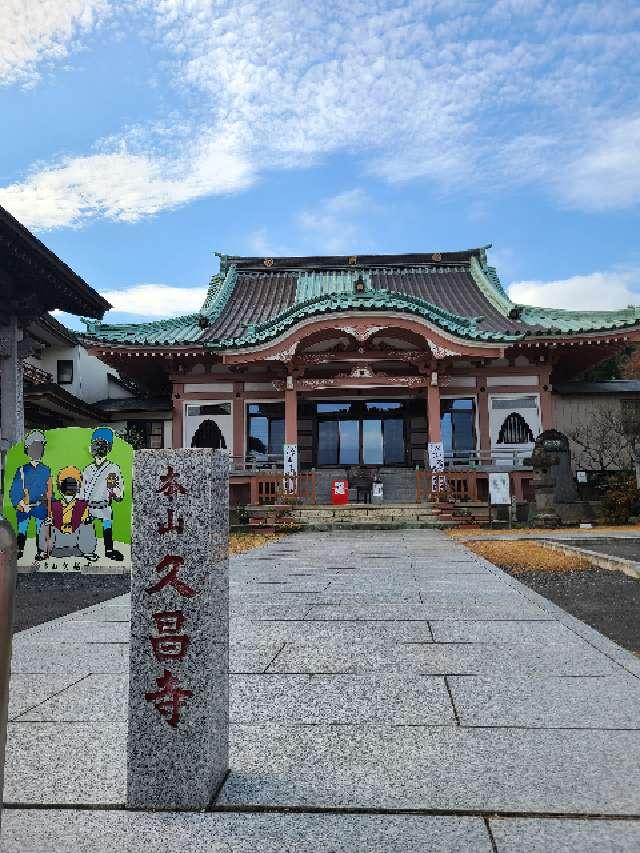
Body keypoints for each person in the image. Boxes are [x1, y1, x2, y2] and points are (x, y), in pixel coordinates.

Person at [80, 427, 124, 561]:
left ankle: (109, 550)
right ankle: (88, 550)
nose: (98, 447)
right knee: (88, 529)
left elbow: (117, 490)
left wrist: (116, 493)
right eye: (96, 444)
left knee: (107, 527)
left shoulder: (113, 468)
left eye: (102, 444)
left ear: (108, 448)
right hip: (90, 506)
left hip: (105, 505)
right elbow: (83, 489)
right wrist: (82, 506)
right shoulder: (88, 469)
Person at [9, 430, 52, 560]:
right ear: (28, 449)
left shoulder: (46, 469)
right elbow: (16, 488)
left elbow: (49, 491)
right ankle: (20, 550)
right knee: (22, 529)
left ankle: (40, 551)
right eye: (35, 447)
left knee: (40, 529)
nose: (38, 450)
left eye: (40, 447)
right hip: (25, 506)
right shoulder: (21, 470)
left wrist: (50, 508)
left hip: (40, 506)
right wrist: (20, 503)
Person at [39, 466, 97, 560]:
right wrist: (49, 522)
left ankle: (87, 551)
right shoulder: (54, 506)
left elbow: (84, 522)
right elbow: (52, 523)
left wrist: (86, 520)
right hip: (58, 539)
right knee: (45, 524)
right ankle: (45, 551)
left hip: (76, 538)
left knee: (87, 525)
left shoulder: (82, 505)